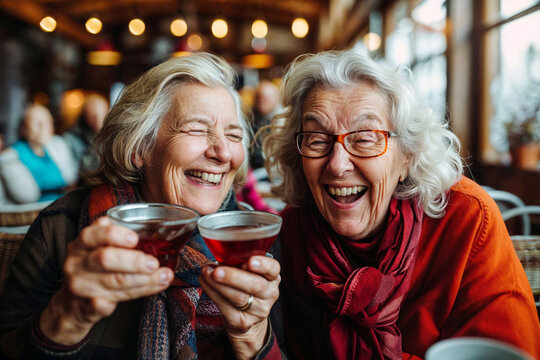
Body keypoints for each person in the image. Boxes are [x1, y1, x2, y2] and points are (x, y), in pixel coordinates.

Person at [0, 53, 281, 359]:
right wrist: (68, 317)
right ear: (140, 148)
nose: (223, 151)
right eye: (197, 129)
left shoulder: (255, 242)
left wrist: (252, 336)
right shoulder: (62, 226)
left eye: (233, 135)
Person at [263, 49, 540, 359]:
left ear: (407, 157)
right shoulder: (291, 234)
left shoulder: (466, 220)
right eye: (316, 140)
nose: (337, 165)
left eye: (365, 138)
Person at [0, 104, 78, 204]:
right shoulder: (12, 155)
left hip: (65, 205)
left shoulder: (57, 147)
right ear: (23, 128)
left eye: (48, 122)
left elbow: (72, 179)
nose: (43, 127)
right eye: (36, 123)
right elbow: (26, 197)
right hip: (36, 212)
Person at [63, 93, 109, 178]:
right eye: (92, 115)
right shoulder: (71, 139)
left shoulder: (113, 135)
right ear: (84, 116)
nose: (98, 120)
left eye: (102, 114)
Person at [250, 80, 280, 170]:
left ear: (276, 98)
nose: (260, 101)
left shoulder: (283, 121)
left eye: (265, 98)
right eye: (258, 97)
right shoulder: (251, 118)